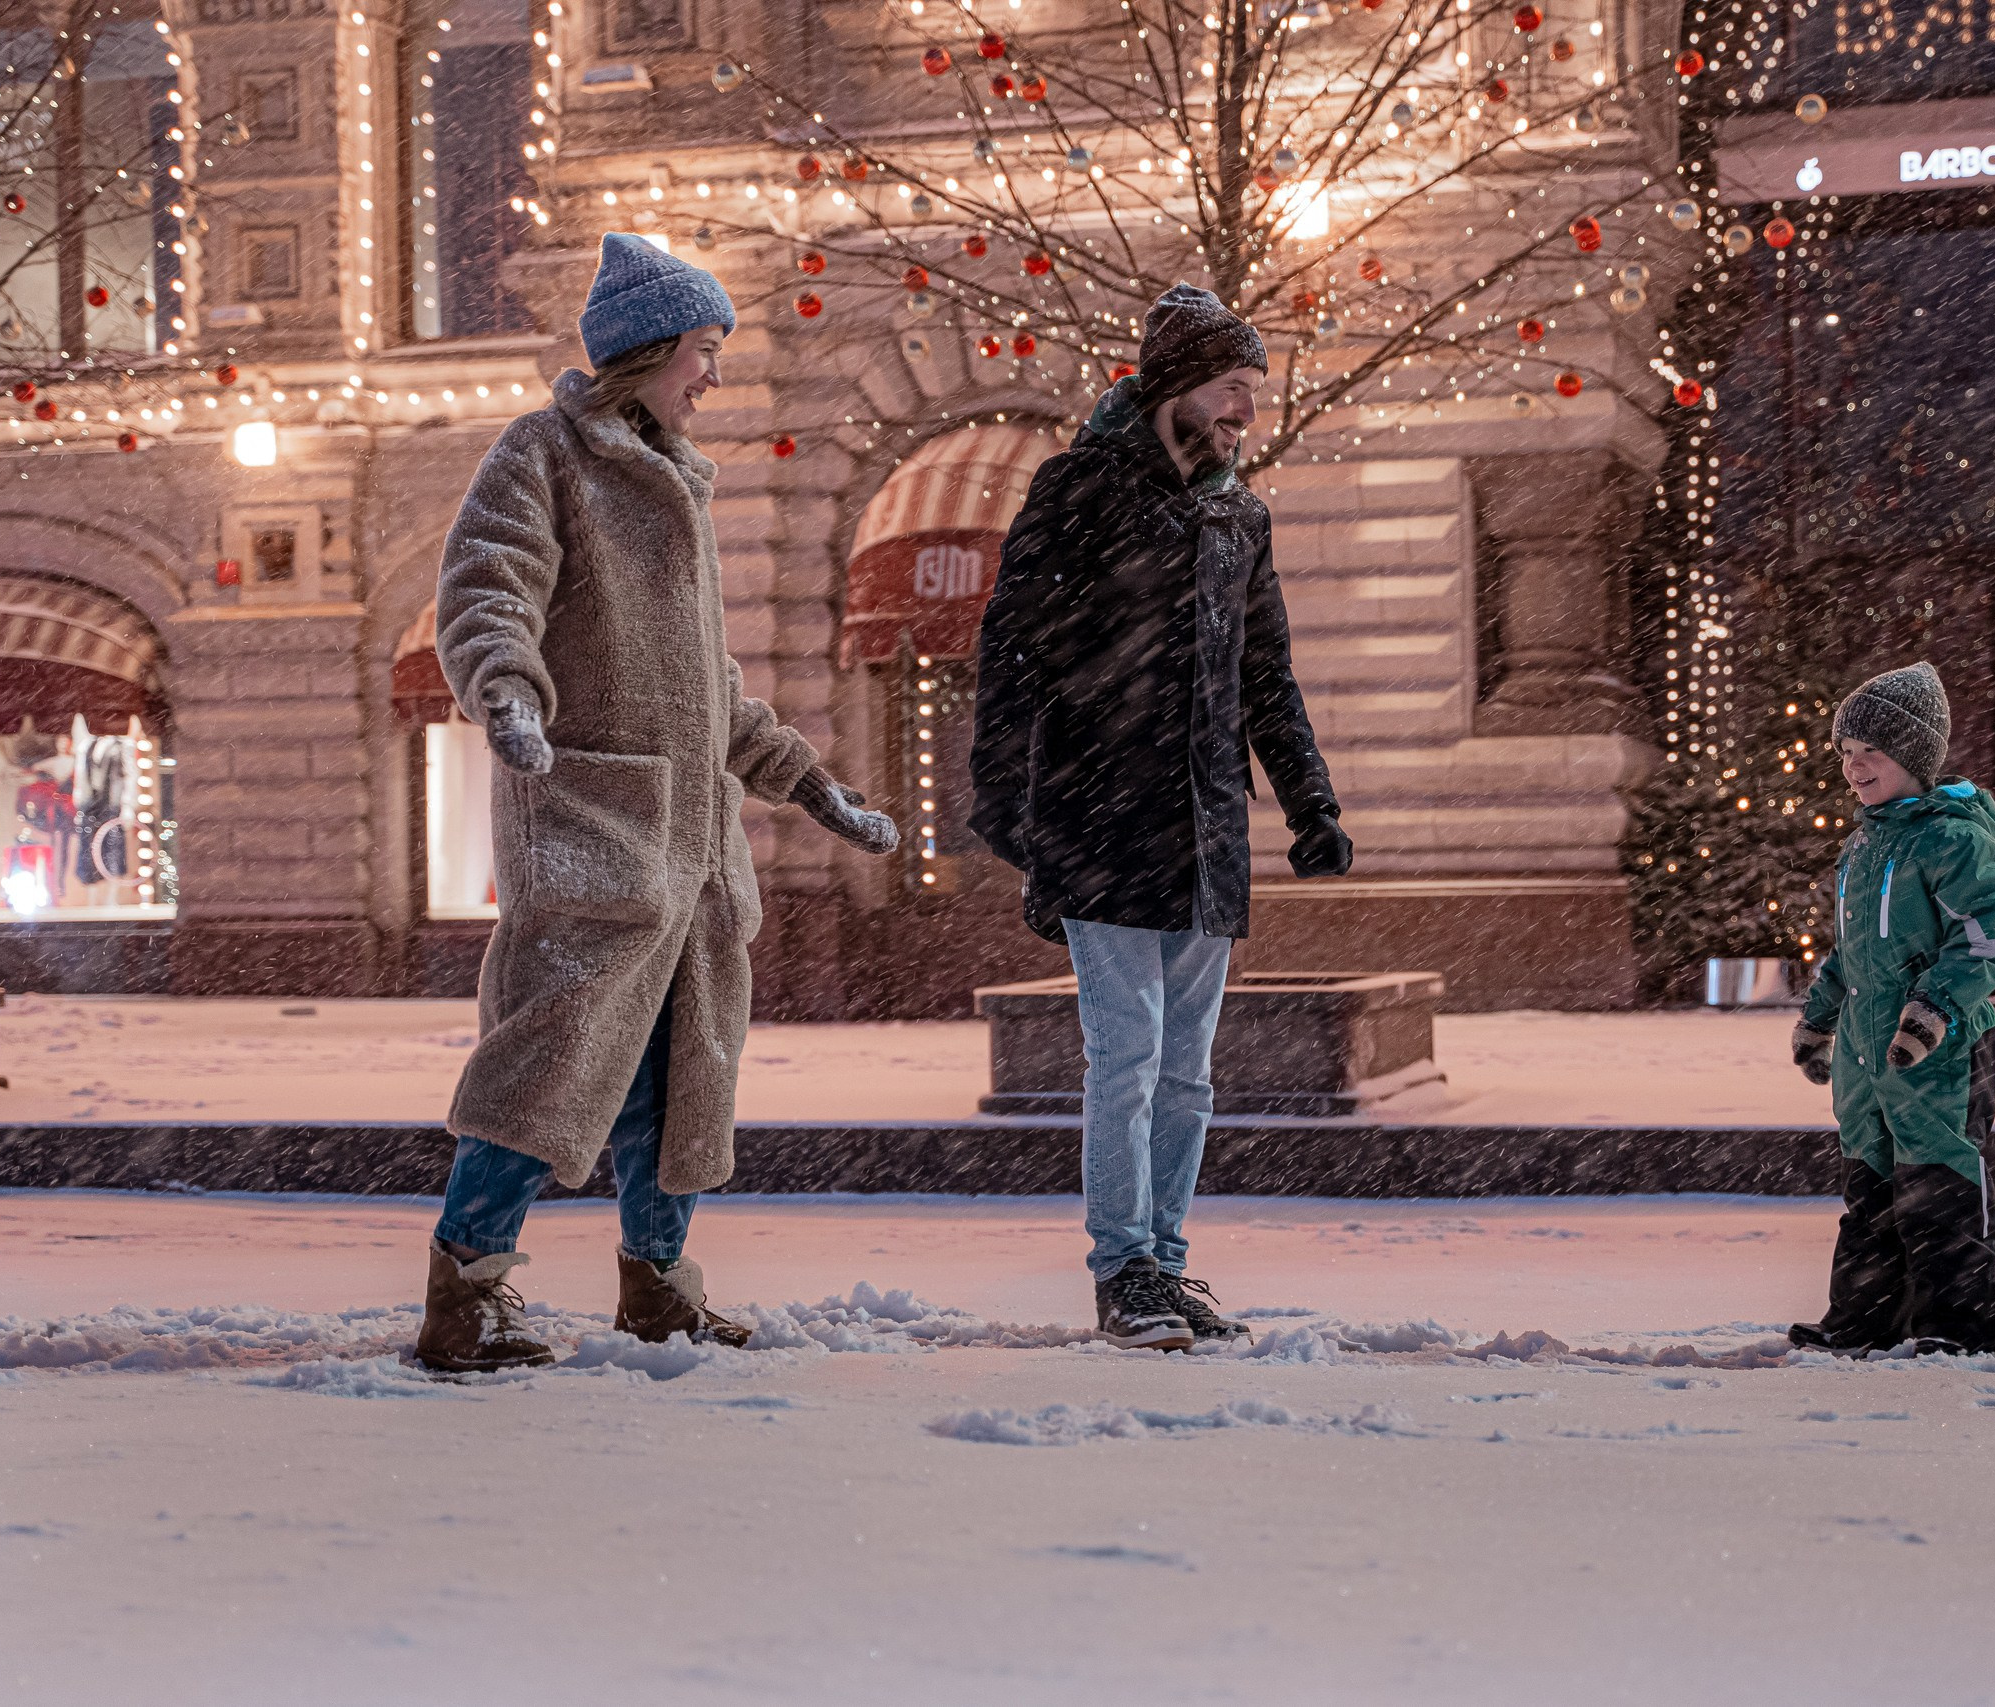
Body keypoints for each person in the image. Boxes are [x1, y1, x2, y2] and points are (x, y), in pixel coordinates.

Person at [415, 233, 899, 1374]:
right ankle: (463, 1293)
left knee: (682, 1083)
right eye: (703, 351)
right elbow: (488, 591)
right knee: (544, 1069)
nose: (713, 377)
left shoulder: (677, 480)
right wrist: (508, 698)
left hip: (692, 854)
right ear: (650, 351)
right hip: (594, 828)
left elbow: (708, 696)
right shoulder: (544, 455)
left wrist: (814, 787)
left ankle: (659, 1290)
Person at [971, 284, 1349, 1350]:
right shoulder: (1078, 491)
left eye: (1255, 397)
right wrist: (1004, 800)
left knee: (1188, 1073)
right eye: (1233, 390)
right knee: (1125, 1060)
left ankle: (1167, 1264)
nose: (1247, 415)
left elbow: (1267, 677)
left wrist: (1307, 804)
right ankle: (1120, 1267)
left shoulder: (1239, 516)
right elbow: (1011, 653)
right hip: (1100, 821)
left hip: (1205, 831)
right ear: (1175, 386)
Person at [1787, 661, 1995, 1357]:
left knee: (1940, 1188)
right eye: (1847, 755)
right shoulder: (1860, 847)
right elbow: (1847, 954)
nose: (1855, 769)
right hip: (1867, 1049)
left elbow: (1984, 938)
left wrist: (1932, 1010)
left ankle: (1954, 1331)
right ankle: (1862, 1322)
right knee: (1871, 1190)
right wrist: (1819, 1017)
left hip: (1939, 1049)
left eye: (1872, 754)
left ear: (1913, 757)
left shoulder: (1953, 838)